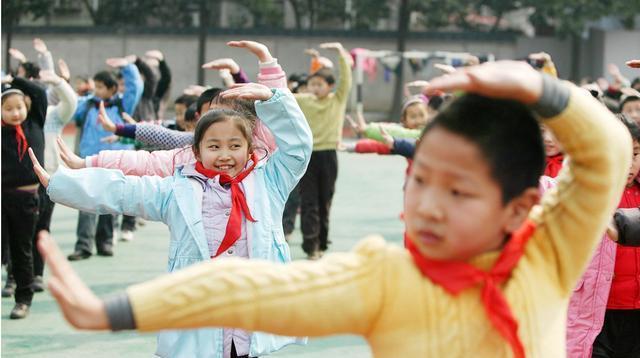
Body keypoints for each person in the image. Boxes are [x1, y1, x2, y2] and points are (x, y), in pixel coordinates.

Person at [35, 61, 631, 357]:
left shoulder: (552, 251)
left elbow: (606, 152)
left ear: (520, 204)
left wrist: (540, 90)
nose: (426, 206)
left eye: (459, 191)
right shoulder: (387, 276)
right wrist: (111, 312)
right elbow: (244, 291)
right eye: (420, 181)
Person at [33, 82, 311, 357]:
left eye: (234, 145)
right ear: (197, 151)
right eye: (214, 146)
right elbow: (123, 191)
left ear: (249, 148)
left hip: (251, 315)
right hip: (200, 314)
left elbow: (298, 147)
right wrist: (59, 184)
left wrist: (274, 99)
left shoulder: (270, 181)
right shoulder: (177, 190)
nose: (225, 155)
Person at [68, 56, 143, 261]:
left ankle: (105, 243)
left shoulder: (122, 105)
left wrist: (127, 67)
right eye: (96, 87)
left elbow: (135, 87)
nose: (97, 91)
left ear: (112, 89)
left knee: (110, 203)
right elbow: (71, 109)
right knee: (86, 203)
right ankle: (83, 245)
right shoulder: (88, 105)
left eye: (101, 87)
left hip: (113, 160)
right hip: (89, 160)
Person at [294, 42, 352, 259]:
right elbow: (282, 95)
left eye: (320, 84)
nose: (315, 88)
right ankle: (311, 246)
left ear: (330, 86)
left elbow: (346, 80)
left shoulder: (336, 100)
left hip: (328, 155)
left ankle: (322, 241)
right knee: (308, 202)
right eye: (312, 84)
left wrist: (340, 53)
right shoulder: (304, 100)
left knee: (324, 201)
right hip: (308, 156)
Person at [1, 73, 47, 319]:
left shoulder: (35, 123)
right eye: (8, 109)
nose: (15, 113)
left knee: (22, 250)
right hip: (1, 198)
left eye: (19, 107)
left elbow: (39, 93)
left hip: (26, 199)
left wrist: (14, 79)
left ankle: (23, 299)